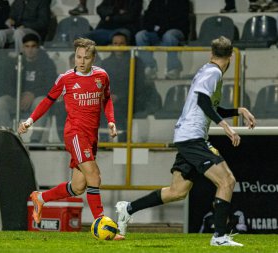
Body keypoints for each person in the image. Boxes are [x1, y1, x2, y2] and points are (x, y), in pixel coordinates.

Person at [114, 36, 256, 246]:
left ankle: (127, 209)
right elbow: (202, 101)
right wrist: (225, 126)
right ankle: (219, 237)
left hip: (186, 137)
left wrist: (239, 110)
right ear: (232, 56)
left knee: (177, 191)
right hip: (193, 138)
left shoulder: (207, 71)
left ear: (211, 54)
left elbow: (211, 106)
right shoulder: (214, 72)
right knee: (227, 181)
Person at [18, 38, 118, 223]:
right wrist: (29, 120)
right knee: (94, 175)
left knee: (79, 187)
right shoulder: (66, 79)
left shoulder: (102, 76)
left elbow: (107, 99)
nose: (81, 61)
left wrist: (111, 121)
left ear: (93, 58)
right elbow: (47, 100)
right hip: (75, 134)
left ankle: (40, 198)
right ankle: (100, 223)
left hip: (91, 136)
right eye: (78, 57)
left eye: (86, 58)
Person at [100, 31, 161, 141]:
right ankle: (104, 140)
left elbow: (139, 86)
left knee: (117, 108)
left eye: (121, 43)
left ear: (127, 45)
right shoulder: (105, 63)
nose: (118, 46)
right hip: (111, 99)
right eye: (115, 43)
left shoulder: (137, 62)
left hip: (132, 99)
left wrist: (118, 96)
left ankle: (124, 140)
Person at [0, 33, 57, 140]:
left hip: (35, 99)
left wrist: (33, 94)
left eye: (33, 46)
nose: (30, 50)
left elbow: (51, 85)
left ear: (38, 48)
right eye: (27, 46)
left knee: (42, 102)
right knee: (0, 102)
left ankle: (35, 140)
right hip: (17, 98)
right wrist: (19, 95)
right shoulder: (13, 62)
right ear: (23, 48)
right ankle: (7, 138)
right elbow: (5, 84)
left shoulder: (47, 63)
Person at [136, 0, 190, 80]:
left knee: (169, 36)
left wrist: (159, 27)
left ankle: (173, 69)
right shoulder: (155, 2)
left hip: (176, 30)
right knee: (140, 36)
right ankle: (149, 67)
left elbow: (179, 21)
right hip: (157, 32)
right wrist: (156, 28)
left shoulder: (182, 2)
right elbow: (147, 20)